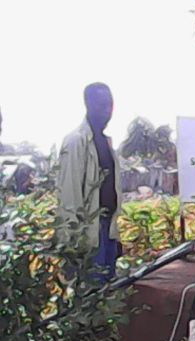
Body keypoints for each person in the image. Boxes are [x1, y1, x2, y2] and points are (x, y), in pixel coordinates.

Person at [57, 83, 122, 282]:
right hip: (88, 233)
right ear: (88, 105)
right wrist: (72, 241)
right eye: (101, 105)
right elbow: (69, 194)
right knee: (91, 291)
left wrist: (115, 235)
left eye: (110, 105)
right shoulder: (76, 141)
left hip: (107, 229)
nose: (107, 110)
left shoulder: (106, 143)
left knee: (109, 289)